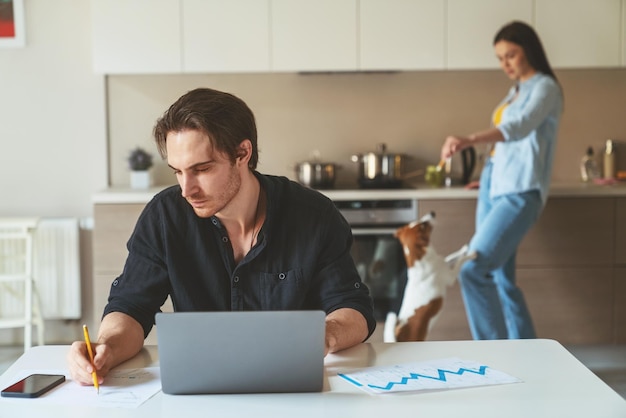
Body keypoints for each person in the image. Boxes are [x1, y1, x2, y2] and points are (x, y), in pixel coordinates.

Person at [68, 87, 376, 386]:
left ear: (243, 153)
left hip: (293, 392)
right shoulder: (165, 216)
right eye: (178, 171)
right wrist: (106, 346)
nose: (187, 190)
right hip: (199, 394)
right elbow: (131, 307)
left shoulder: (313, 214)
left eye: (201, 169)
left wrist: (322, 335)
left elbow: (353, 308)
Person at [440, 21, 563, 340]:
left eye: (511, 55)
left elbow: (519, 128)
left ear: (529, 51)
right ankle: (528, 354)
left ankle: (492, 353)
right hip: (496, 189)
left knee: (472, 270)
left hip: (520, 192)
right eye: (500, 57)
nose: (505, 63)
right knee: (500, 279)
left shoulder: (545, 87)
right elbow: (508, 150)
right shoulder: (516, 90)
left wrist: (468, 139)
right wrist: (488, 179)